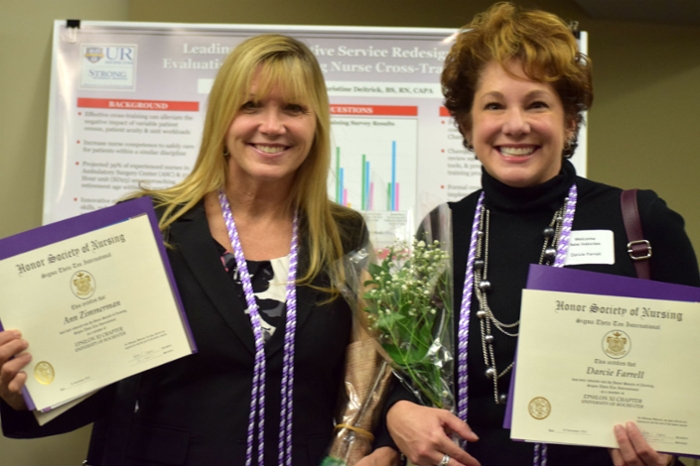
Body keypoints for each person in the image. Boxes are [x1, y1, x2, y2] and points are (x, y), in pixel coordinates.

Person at [0, 34, 398, 466]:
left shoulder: (342, 235)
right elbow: (99, 382)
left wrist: (379, 445)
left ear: (316, 122)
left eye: (294, 109)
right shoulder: (150, 225)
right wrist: (24, 390)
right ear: (221, 120)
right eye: (250, 106)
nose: (272, 125)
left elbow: (363, 377)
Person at [384, 3, 700, 466]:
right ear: (467, 125)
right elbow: (409, 368)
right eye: (494, 105)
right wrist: (397, 411)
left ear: (570, 120)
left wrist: (666, 462)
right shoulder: (441, 228)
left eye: (537, 103)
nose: (516, 125)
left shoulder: (640, 220)